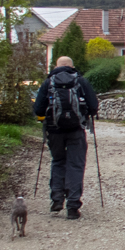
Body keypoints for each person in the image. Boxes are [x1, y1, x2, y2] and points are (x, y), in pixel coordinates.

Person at [33, 56, 99, 219]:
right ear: (72, 66)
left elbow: (38, 110)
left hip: (54, 131)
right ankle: (73, 206)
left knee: (58, 161)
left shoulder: (48, 82)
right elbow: (93, 106)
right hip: (76, 130)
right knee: (75, 165)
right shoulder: (81, 81)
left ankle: (56, 199)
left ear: (56, 66)